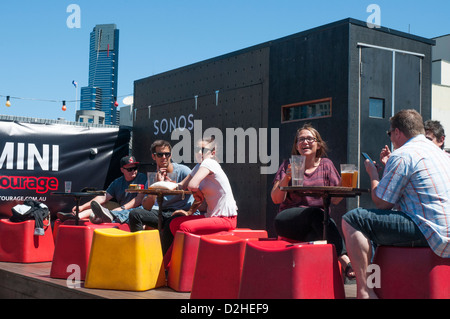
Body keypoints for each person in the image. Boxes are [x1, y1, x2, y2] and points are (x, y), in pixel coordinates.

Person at [342, 109, 450, 299]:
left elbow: (382, 203)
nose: (390, 137)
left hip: (432, 232)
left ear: (398, 132)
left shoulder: (403, 155)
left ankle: (365, 292)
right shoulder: (440, 154)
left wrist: (373, 175)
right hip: (445, 229)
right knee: (373, 224)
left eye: (390, 133)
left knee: (354, 219)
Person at [271, 123, 355, 280]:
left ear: (318, 144)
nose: (305, 142)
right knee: (318, 215)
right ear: (296, 145)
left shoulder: (326, 165)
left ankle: (313, 288)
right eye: (301, 139)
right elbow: (276, 199)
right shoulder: (288, 165)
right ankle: (345, 260)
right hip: (287, 221)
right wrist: (287, 176)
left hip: (317, 224)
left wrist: (345, 186)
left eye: (310, 138)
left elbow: (335, 200)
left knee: (317, 235)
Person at [166, 137, 238, 265]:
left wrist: (197, 194)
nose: (199, 152)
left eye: (203, 149)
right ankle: (177, 265)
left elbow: (193, 185)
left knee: (184, 227)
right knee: (174, 223)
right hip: (211, 216)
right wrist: (163, 183)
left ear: (212, 153)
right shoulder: (199, 166)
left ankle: (169, 265)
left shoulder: (209, 163)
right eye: (197, 149)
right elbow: (182, 185)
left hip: (226, 218)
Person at [128, 140, 193, 254]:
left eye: (167, 154)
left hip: (181, 212)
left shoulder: (183, 171)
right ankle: (139, 253)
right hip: (163, 213)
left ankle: (161, 261)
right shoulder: (154, 177)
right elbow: (147, 207)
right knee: (135, 214)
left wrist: (189, 211)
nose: (164, 157)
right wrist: (156, 186)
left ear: (171, 155)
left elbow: (198, 193)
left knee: (170, 222)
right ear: (154, 157)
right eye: (160, 154)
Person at [57, 156, 147, 223]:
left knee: (106, 210)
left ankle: (98, 217)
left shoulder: (142, 178)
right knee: (101, 206)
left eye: (135, 168)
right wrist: (82, 207)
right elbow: (103, 197)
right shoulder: (118, 182)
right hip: (121, 209)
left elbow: (138, 199)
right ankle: (76, 216)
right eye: (130, 169)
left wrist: (121, 208)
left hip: (136, 211)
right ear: (122, 170)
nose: (133, 171)